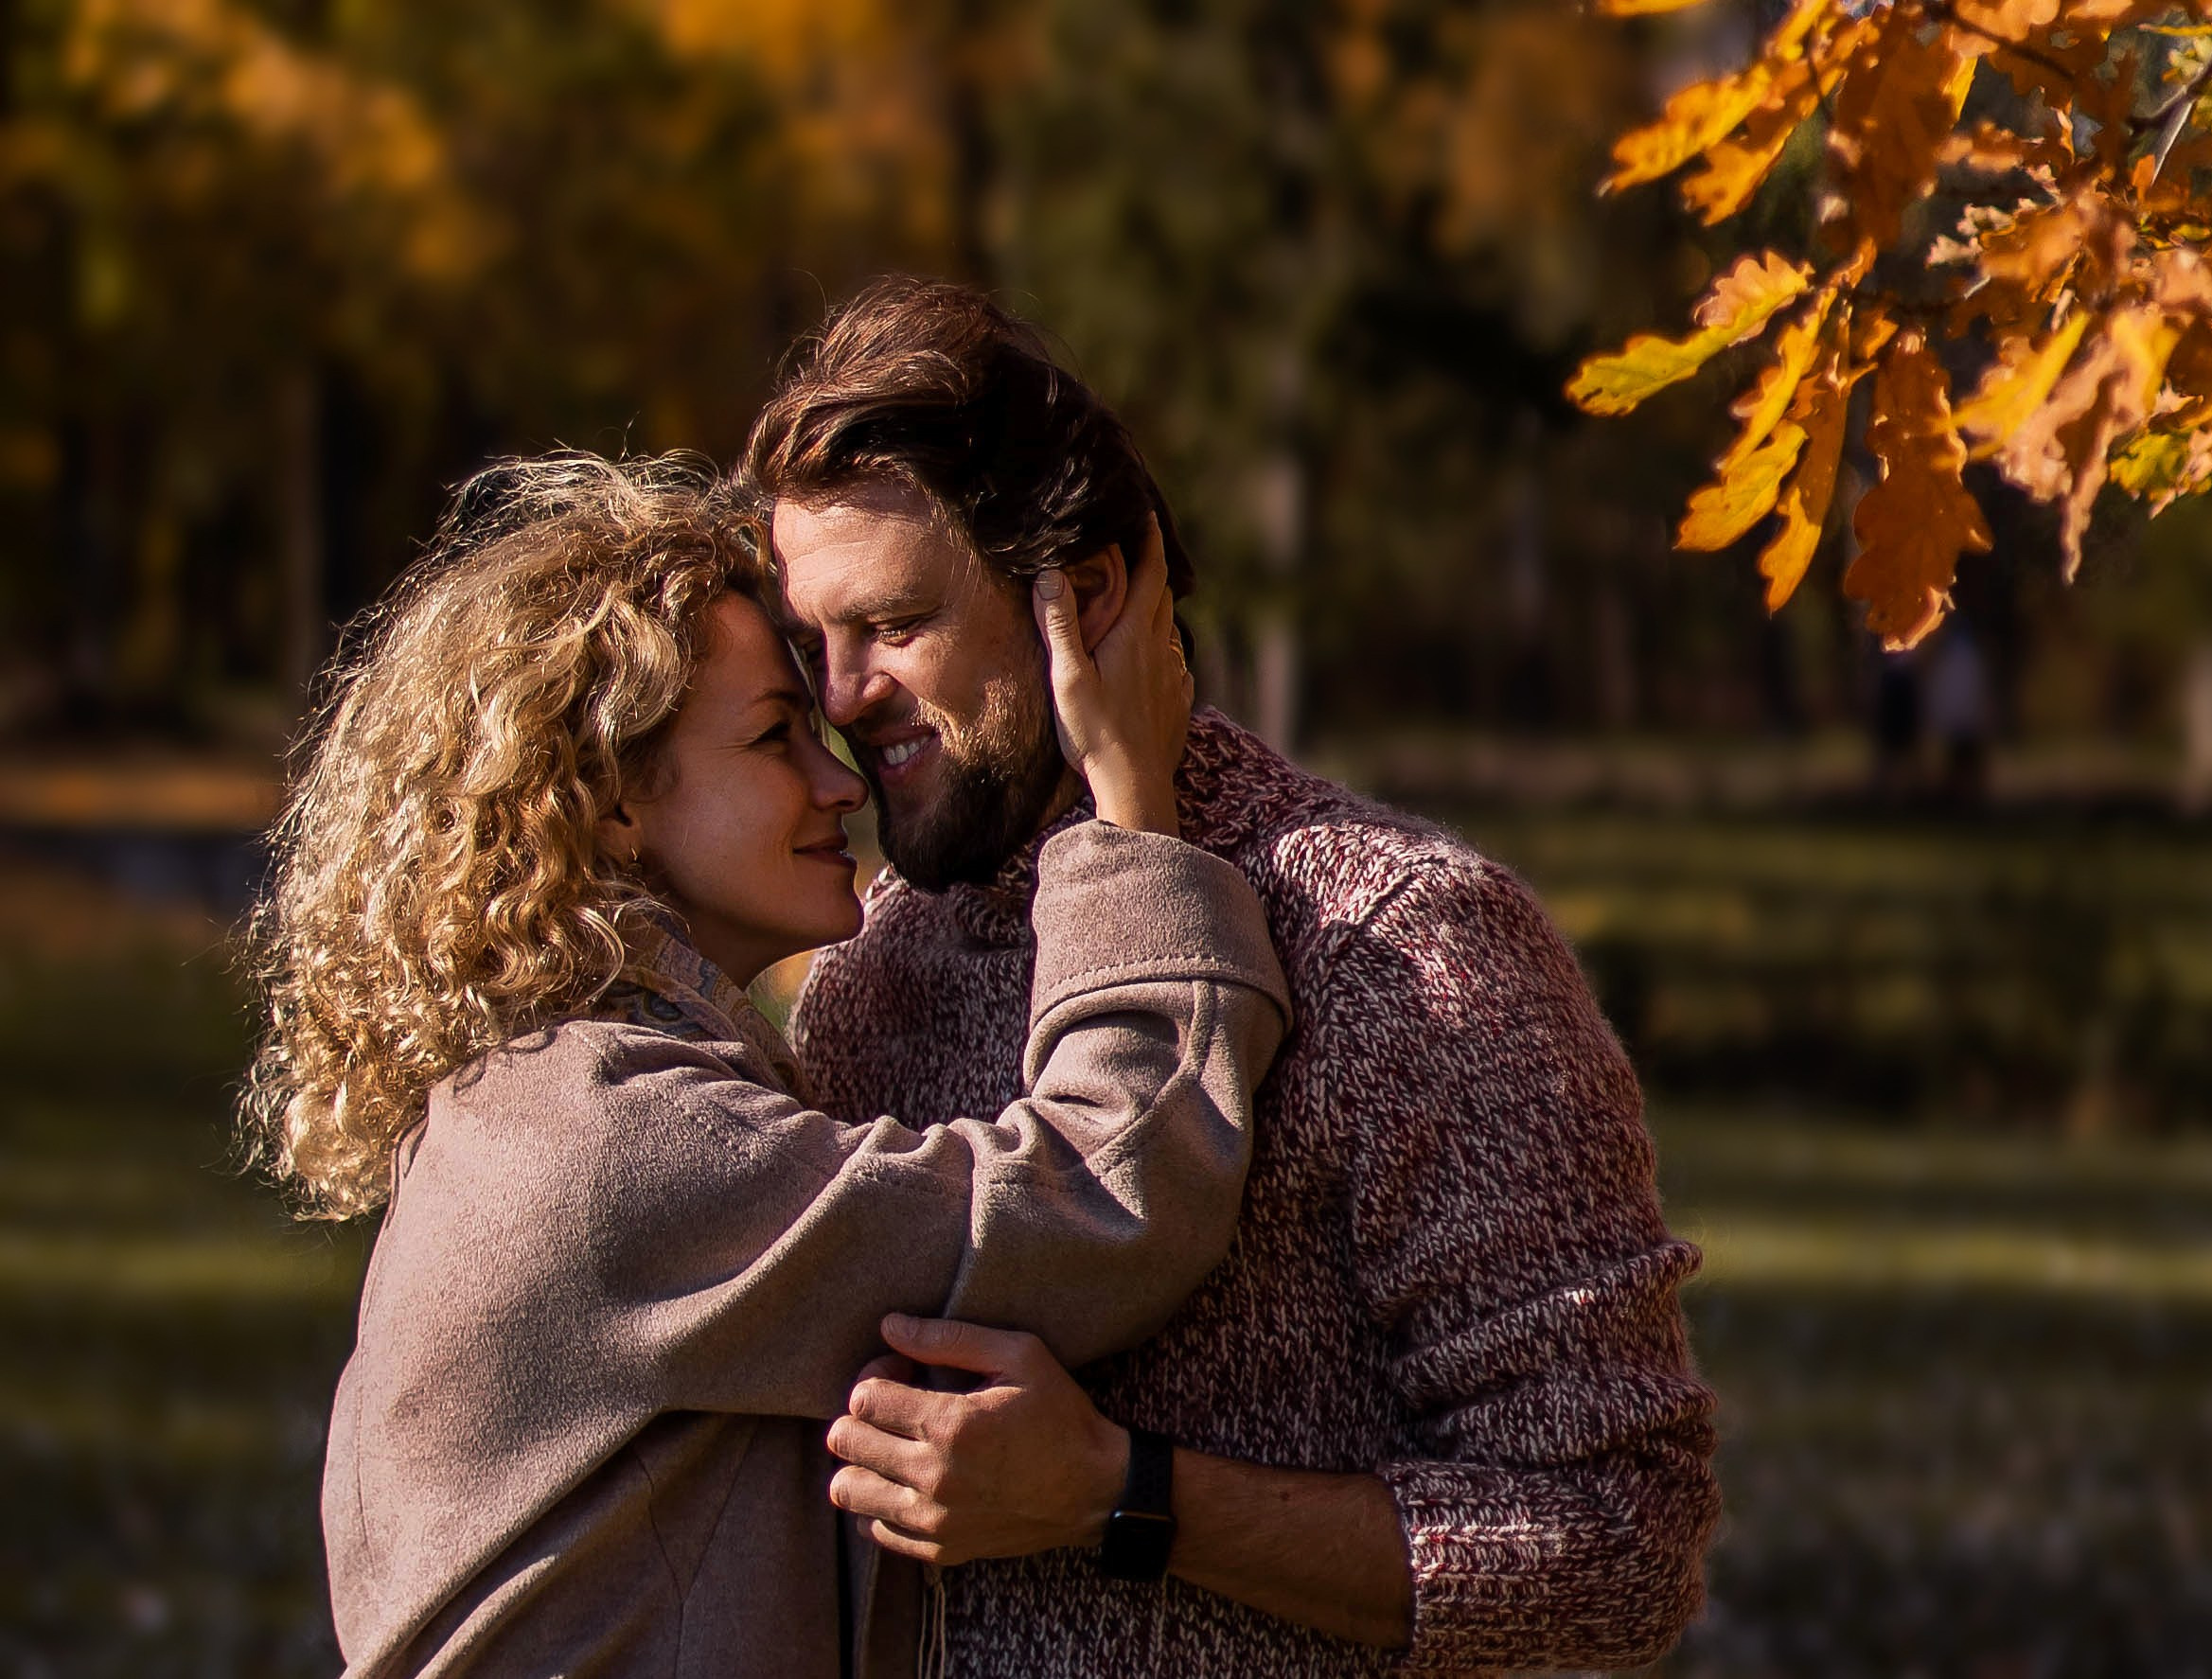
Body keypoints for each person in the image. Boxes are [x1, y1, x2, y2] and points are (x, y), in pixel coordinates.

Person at [744, 278, 1722, 1676]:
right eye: (814, 646)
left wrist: (1122, 1493)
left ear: (1083, 590)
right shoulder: (866, 968)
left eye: (892, 625)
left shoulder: (1402, 942)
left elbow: (1618, 1541)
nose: (841, 700)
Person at [238, 451, 1292, 1678]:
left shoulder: (532, 1098)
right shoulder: (605, 1144)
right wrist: (1130, 821)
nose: (837, 781)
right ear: (612, 800)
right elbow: (1101, 1204)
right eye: (773, 736)